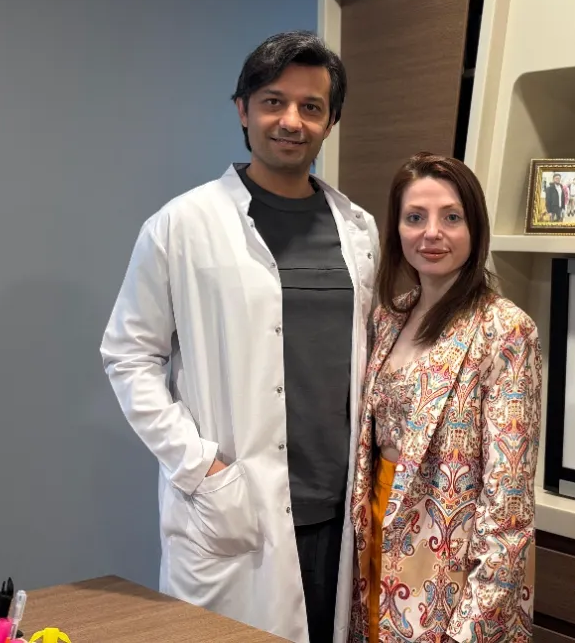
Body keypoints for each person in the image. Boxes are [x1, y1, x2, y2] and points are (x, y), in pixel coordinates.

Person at [100, 31, 379, 643]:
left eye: (311, 107)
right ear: (243, 110)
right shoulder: (181, 225)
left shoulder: (359, 230)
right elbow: (128, 355)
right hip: (235, 508)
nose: (291, 121)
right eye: (274, 101)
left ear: (331, 121)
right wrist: (201, 467)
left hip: (338, 509)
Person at [347, 153, 542, 642]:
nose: (431, 233)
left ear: (474, 228)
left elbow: (509, 505)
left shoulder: (504, 329)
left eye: (451, 217)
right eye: (415, 217)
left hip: (447, 565)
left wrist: (473, 624)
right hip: (373, 542)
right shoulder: (387, 319)